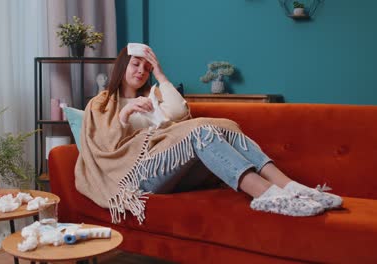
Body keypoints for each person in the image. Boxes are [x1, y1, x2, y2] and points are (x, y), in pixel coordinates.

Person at [75, 44, 342, 224]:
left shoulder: (154, 97)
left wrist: (161, 74)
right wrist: (125, 113)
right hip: (137, 176)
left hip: (169, 170)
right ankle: (267, 196)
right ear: (122, 66)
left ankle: (292, 188)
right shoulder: (102, 102)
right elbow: (104, 147)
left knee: (221, 127)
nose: (141, 72)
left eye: (146, 68)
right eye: (136, 65)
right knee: (202, 132)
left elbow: (179, 113)